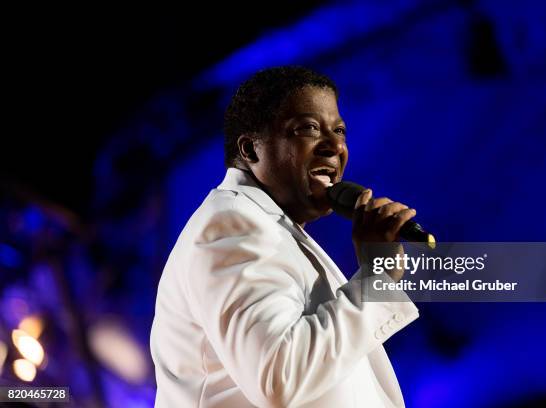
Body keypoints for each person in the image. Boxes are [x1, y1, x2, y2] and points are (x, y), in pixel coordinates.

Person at [150, 66, 420, 407]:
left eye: (339, 130)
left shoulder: (269, 228)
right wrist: (375, 279)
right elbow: (279, 377)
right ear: (250, 150)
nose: (335, 145)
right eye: (308, 128)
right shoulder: (232, 225)